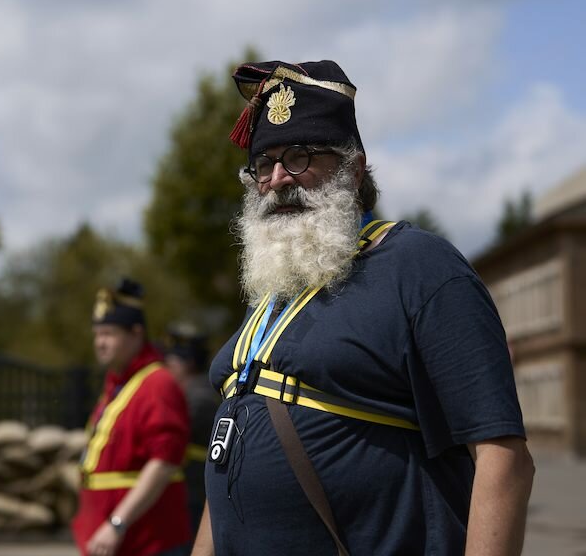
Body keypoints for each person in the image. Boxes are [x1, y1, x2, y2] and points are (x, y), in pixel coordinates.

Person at [191, 60, 534, 556]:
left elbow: (504, 459)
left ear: (353, 169)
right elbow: (229, 459)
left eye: (300, 156)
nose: (279, 178)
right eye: (264, 164)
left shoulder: (419, 266)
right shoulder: (274, 294)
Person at [73, 277, 192, 556]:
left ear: (136, 334)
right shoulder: (119, 382)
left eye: (109, 334)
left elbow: (164, 461)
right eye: (97, 334)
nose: (99, 343)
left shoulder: (157, 384)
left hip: (145, 540)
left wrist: (117, 523)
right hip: (115, 538)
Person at [163, 323, 221, 536]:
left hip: (195, 491)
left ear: (188, 362)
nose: (166, 367)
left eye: (171, 361)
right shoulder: (190, 393)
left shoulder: (199, 398)